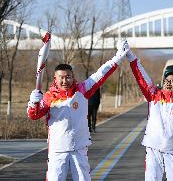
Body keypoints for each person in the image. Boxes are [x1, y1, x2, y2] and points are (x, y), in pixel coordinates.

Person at [26, 40, 128, 181]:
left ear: (73, 77)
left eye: (68, 77)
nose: (65, 81)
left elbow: (101, 74)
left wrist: (118, 57)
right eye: (61, 78)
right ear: (55, 79)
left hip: (79, 147)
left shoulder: (82, 90)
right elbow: (33, 115)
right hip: (58, 149)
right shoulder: (48, 97)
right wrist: (33, 102)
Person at [125, 42, 173, 181]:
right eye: (167, 80)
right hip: (153, 148)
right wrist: (131, 57)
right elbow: (141, 77)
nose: (170, 82)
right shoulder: (154, 96)